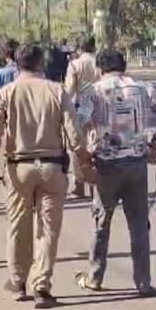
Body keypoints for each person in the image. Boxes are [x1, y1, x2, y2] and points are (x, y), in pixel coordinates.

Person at [0, 43, 91, 309]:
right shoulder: (56, 91)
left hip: (19, 170)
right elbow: (75, 135)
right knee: (48, 230)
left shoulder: (5, 93)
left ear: (17, 64)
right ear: (40, 63)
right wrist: (85, 164)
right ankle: (41, 285)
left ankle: (18, 282)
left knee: (18, 226)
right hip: (52, 168)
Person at [73, 50, 156, 296]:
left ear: (100, 69)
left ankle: (95, 276)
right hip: (136, 164)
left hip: (106, 165)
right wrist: (154, 145)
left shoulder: (93, 91)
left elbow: (79, 123)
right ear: (124, 66)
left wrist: (84, 155)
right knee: (139, 226)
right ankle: (143, 282)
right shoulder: (144, 89)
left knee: (101, 222)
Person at [64, 35, 100, 198]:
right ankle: (97, 181)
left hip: (80, 109)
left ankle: (79, 183)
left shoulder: (75, 65)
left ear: (80, 48)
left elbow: (69, 90)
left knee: (77, 145)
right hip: (99, 107)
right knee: (97, 143)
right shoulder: (100, 63)